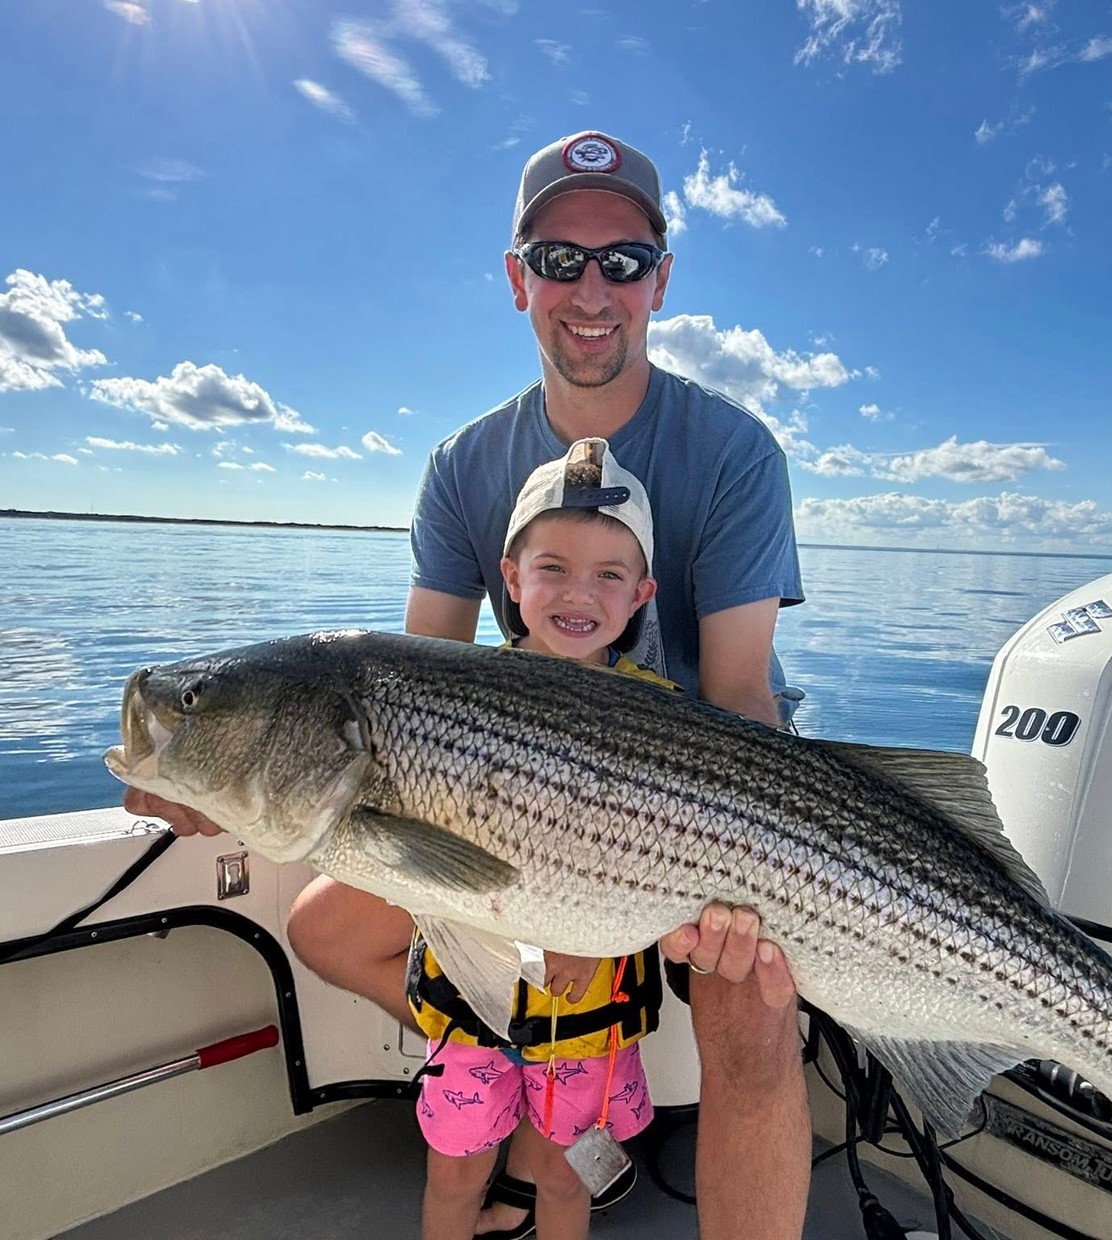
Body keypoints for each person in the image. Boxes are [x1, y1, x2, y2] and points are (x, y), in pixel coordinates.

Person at [125, 128, 810, 1240]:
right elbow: (405, 684)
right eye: (557, 259)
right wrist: (231, 779)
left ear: (661, 281)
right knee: (325, 927)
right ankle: (527, 1070)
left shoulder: (733, 451)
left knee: (752, 1023)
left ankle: (565, 1104)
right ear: (516, 278)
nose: (591, 290)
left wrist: (728, 877)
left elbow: (738, 696)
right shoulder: (463, 464)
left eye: (622, 262)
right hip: (515, 798)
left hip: (713, 816)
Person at [413, 437, 669, 1240]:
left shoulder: (666, 719)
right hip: (470, 1003)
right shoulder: (452, 701)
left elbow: (659, 866)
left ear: (641, 595)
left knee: (565, 1181)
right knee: (453, 1174)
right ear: (510, 578)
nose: (577, 593)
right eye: (552, 567)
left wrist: (588, 942)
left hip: (590, 1007)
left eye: (608, 575)